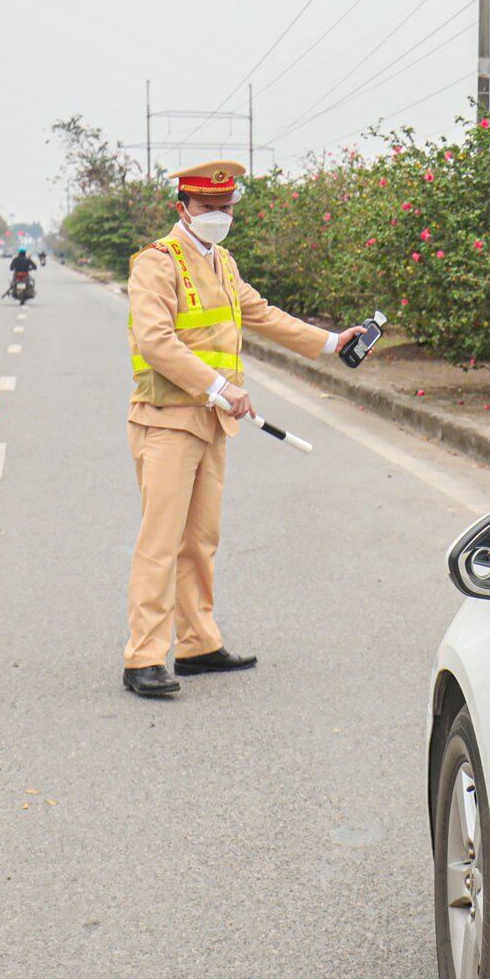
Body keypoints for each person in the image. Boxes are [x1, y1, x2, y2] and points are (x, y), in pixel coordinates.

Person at [120, 160, 367, 697]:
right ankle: (142, 658)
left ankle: (197, 645)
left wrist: (330, 342)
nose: (218, 216)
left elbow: (262, 313)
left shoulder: (223, 263)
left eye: (225, 208)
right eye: (208, 208)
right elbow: (156, 343)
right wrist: (218, 388)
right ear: (182, 207)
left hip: (209, 424)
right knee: (160, 542)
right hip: (166, 421)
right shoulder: (155, 265)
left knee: (200, 541)